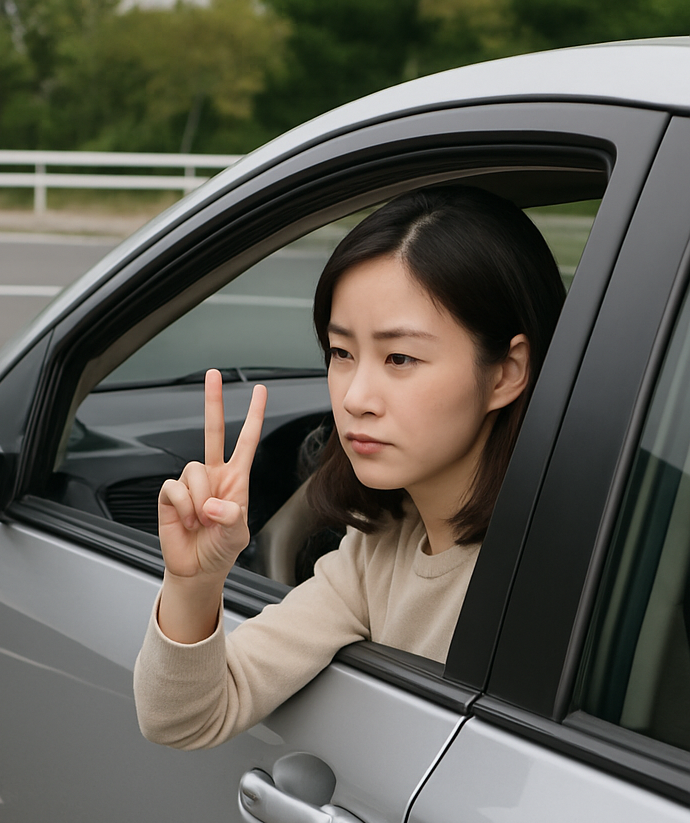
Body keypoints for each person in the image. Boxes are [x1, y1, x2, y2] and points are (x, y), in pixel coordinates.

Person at [133, 185, 566, 749]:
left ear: (507, 372)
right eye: (342, 353)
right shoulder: (377, 550)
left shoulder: (554, 571)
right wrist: (195, 582)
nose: (355, 396)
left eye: (400, 358)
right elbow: (183, 718)